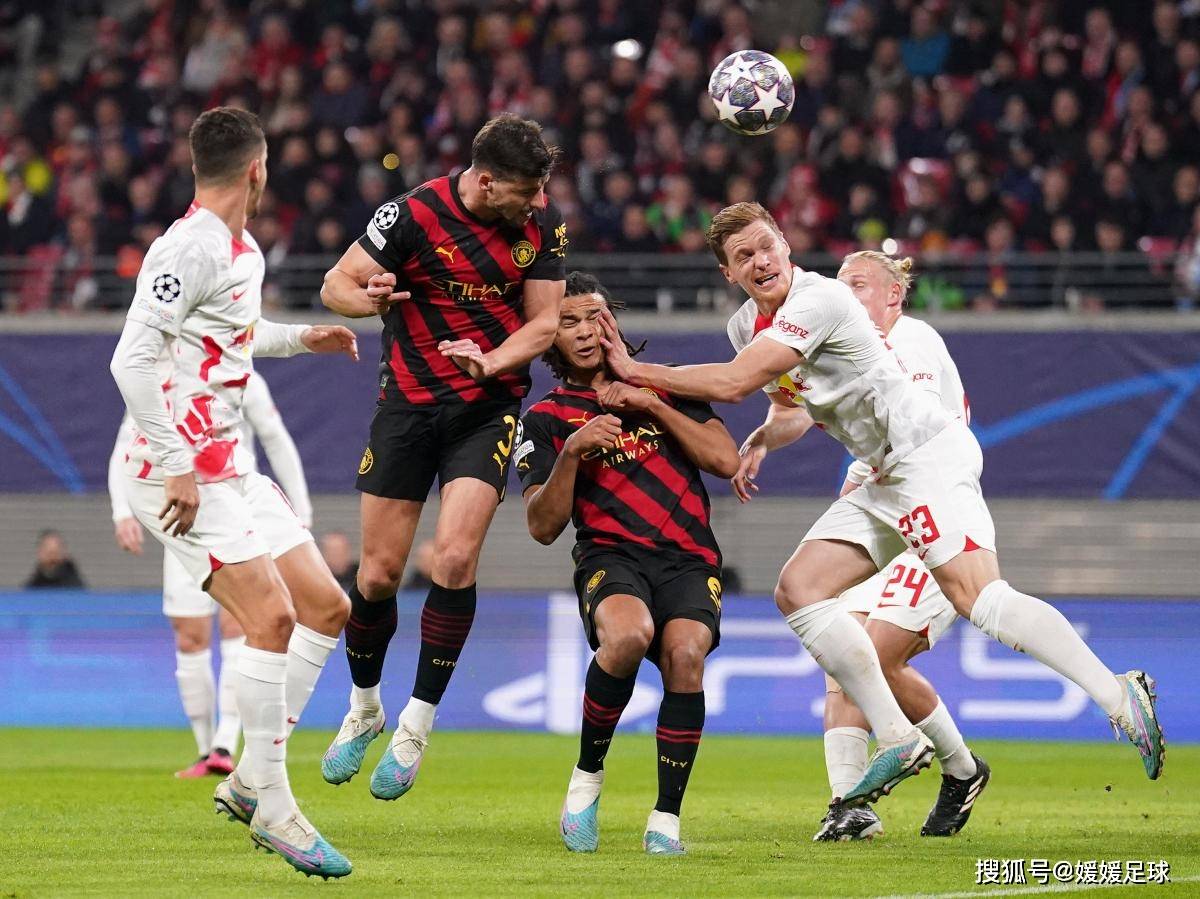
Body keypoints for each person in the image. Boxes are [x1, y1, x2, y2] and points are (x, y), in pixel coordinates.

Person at [597, 202, 1165, 809]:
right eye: (743, 257)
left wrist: (634, 371)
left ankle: (1117, 694)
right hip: (882, 477)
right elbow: (790, 403)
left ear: (786, 245)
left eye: (765, 246)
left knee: (979, 598)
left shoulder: (819, 300)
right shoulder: (746, 327)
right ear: (728, 273)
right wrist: (763, 437)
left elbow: (734, 382)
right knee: (799, 589)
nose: (760, 261)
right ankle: (898, 738)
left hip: (925, 456)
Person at [109, 107, 360, 879]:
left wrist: (302, 337)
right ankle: (276, 809)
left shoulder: (240, 250)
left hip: (230, 468)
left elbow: (233, 336)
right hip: (180, 472)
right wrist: (175, 461)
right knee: (271, 617)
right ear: (258, 169)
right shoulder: (186, 247)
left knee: (326, 606)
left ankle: (251, 777)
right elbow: (129, 360)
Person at [319, 113, 567, 800]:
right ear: (486, 182)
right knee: (377, 574)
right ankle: (365, 708)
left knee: (454, 559)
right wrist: (367, 298)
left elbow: (545, 322)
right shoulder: (412, 214)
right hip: (406, 406)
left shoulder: (542, 226)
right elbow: (336, 283)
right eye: (527, 190)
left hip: (486, 408)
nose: (539, 201)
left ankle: (416, 725)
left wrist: (492, 361)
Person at [734, 251, 987, 842]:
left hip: (928, 516)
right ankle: (850, 804)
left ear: (894, 294)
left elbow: (915, 435)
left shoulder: (913, 342)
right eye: (840, 282)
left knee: (879, 652)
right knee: (842, 655)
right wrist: (768, 436)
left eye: (859, 284)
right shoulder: (844, 346)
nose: (844, 292)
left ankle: (961, 768)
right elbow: (798, 412)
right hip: (882, 515)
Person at [518, 271, 739, 856]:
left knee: (685, 656)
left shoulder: (667, 384)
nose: (585, 331)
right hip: (610, 554)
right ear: (549, 336)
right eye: (568, 322)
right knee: (628, 635)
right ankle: (586, 779)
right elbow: (541, 526)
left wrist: (648, 401)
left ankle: (665, 818)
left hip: (689, 556)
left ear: (612, 321)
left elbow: (725, 459)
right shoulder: (544, 418)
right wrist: (572, 452)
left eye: (594, 317)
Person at [109, 368, 313, 779]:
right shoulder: (156, 378)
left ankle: (225, 742)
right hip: (182, 522)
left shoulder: (241, 375)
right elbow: (125, 445)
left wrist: (301, 511)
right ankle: (205, 750)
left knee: (241, 625)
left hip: (234, 516)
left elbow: (275, 438)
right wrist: (121, 511)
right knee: (190, 636)